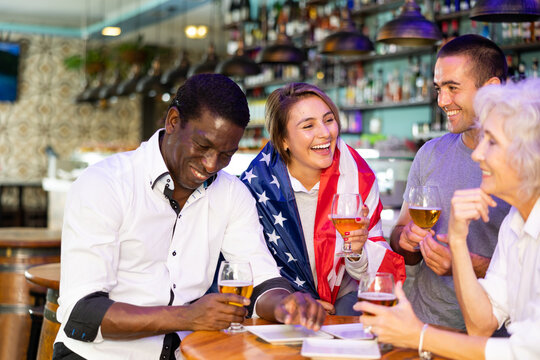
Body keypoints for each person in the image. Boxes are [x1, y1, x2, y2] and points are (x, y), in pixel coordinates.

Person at [53, 74, 326, 360]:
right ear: (173, 121)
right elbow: (81, 312)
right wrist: (186, 316)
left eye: (225, 154)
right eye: (203, 146)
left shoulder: (232, 193)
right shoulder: (104, 184)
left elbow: (262, 282)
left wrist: (286, 304)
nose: (211, 165)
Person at [356, 78, 540, 359]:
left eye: (492, 142)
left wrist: (418, 336)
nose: (477, 154)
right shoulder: (515, 224)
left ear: (531, 154)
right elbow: (481, 324)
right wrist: (456, 240)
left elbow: (524, 352)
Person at [240, 82, 406, 316]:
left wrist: (357, 251)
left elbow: (373, 271)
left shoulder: (358, 177)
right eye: (308, 125)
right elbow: (251, 269)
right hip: (281, 304)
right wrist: (299, 303)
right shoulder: (256, 188)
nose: (325, 133)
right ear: (283, 140)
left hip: (345, 300)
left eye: (328, 120)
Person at [389, 34, 511, 330]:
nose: (442, 101)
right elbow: (399, 236)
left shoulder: (524, 163)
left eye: (452, 88)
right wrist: (406, 241)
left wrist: (464, 263)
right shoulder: (430, 152)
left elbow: (531, 272)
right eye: (438, 89)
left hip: (492, 335)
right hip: (421, 325)